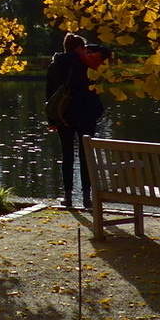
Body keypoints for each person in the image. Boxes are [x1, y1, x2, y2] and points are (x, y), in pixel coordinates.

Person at [45, 33, 109, 210]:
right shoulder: (84, 63)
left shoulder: (55, 65)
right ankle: (87, 196)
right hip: (86, 115)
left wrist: (52, 120)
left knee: (67, 155)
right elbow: (106, 51)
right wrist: (87, 50)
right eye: (84, 47)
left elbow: (49, 95)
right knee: (86, 155)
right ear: (80, 48)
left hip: (63, 115)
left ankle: (67, 195)